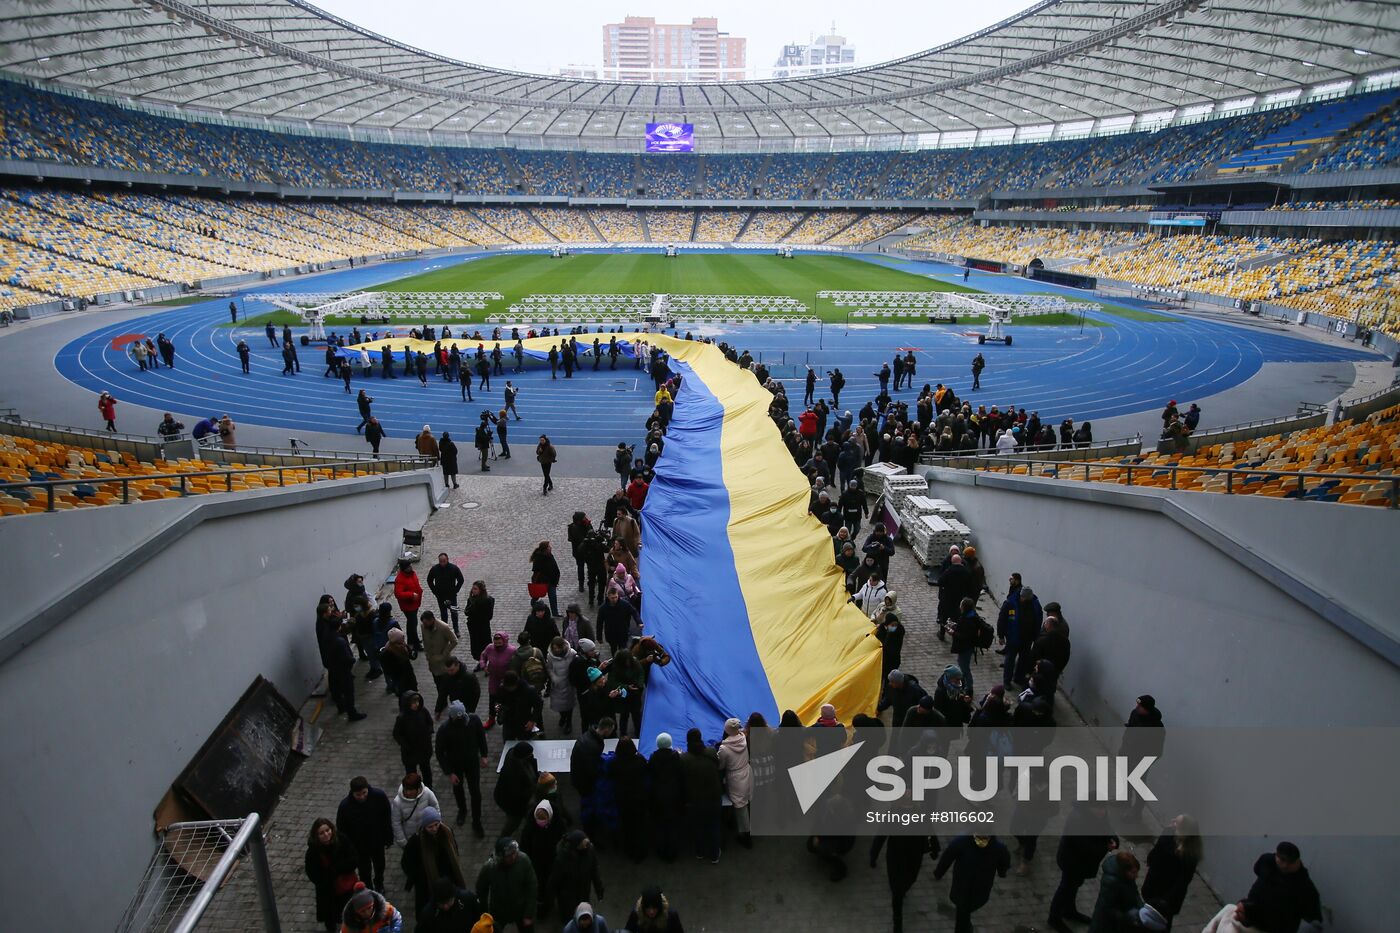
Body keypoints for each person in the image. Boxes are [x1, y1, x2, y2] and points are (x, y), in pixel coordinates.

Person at [934, 834, 1010, 933]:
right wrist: (1002, 872)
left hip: (966, 889)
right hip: (972, 890)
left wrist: (939, 873)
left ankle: (964, 927)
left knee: (963, 913)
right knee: (963, 914)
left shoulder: (962, 842)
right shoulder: (998, 848)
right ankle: (965, 927)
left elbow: (947, 857)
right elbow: (1004, 863)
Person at [401, 807, 466, 915]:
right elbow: (406, 863)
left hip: (448, 877)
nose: (434, 828)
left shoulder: (447, 832)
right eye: (430, 827)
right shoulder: (416, 841)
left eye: (436, 824)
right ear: (424, 826)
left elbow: (455, 849)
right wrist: (418, 875)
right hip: (426, 882)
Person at [1142, 814, 1202, 930]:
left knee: (1162, 922)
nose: (1172, 821)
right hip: (1154, 884)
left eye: (1176, 822)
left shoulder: (1190, 854)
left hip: (1167, 895)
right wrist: (1151, 858)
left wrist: (1166, 901)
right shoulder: (1169, 833)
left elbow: (1183, 881)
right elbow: (1157, 849)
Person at [1246, 842, 1322, 933]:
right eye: (1282, 860)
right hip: (1250, 918)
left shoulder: (1305, 887)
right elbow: (1257, 870)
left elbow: (1314, 920)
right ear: (1276, 856)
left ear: (1298, 861)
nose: (1286, 865)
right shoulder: (1266, 861)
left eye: (1291, 862)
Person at [337, 777, 393, 894]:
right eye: (358, 795)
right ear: (352, 793)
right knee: (364, 871)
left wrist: (388, 837)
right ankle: (368, 889)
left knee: (380, 866)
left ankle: (379, 883)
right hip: (359, 846)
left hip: (377, 841)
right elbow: (342, 830)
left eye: (364, 793)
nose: (362, 797)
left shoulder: (379, 797)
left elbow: (386, 818)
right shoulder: (345, 806)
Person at [305, 817, 359, 933]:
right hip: (328, 891)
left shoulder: (342, 840)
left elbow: (354, 859)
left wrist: (337, 869)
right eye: (321, 833)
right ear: (316, 836)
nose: (326, 834)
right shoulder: (313, 852)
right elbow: (312, 873)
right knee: (330, 917)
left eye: (327, 830)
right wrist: (327, 878)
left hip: (346, 887)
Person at [476, 836, 538, 932]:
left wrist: (528, 914)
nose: (513, 857)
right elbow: (481, 890)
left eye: (514, 853)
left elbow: (532, 886)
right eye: (509, 855)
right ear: (500, 856)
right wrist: (485, 915)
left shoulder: (523, 860)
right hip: (498, 911)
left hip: (520, 909)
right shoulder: (489, 867)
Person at [680, 727, 722, 864]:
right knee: (713, 825)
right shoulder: (711, 752)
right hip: (713, 797)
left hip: (695, 799)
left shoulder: (684, 759)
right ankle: (714, 854)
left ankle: (699, 851)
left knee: (698, 826)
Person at [716, 718, 753, 848]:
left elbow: (720, 765)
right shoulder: (743, 737)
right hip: (747, 772)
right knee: (745, 801)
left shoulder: (724, 748)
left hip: (735, 778)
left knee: (740, 806)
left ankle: (745, 835)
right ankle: (740, 826)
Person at [1088, 850, 1144, 933]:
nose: (1137, 875)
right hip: (1108, 923)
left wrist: (1141, 908)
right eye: (1133, 872)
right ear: (1124, 871)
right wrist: (1126, 917)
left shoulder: (1127, 877)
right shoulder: (1111, 883)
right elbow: (1107, 908)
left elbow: (1135, 892)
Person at [395, 691, 436, 788]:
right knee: (411, 774)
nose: (416, 705)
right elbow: (397, 734)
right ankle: (414, 789)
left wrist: (428, 733)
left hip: (424, 749)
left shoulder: (423, 711)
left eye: (417, 702)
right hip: (410, 752)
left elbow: (430, 722)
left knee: (426, 771)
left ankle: (428, 789)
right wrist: (406, 745)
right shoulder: (402, 718)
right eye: (413, 703)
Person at [417, 878, 483, 933]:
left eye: (448, 902)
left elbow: (481, 918)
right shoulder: (428, 913)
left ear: (454, 896)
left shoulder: (468, 899)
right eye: (441, 904)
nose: (445, 906)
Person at [428, 553, 466, 637]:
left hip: (451, 595)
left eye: (444, 561)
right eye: (440, 561)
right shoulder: (435, 569)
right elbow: (429, 580)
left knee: (454, 613)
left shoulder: (454, 568)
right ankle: (445, 630)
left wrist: (455, 590)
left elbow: (461, 580)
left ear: (447, 559)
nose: (442, 563)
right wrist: (434, 591)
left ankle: (456, 629)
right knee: (443, 613)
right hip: (440, 596)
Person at [464, 581, 495, 664]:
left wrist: (476, 612)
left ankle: (487, 662)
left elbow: (489, 616)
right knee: (475, 646)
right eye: (473, 588)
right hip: (473, 627)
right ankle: (480, 662)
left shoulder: (488, 600)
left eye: (475, 589)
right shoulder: (471, 600)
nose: (473, 590)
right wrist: (472, 607)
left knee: (485, 645)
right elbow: (466, 612)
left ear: (481, 590)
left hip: (483, 627)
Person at [530, 541, 561, 617]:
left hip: (552, 581)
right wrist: (535, 582)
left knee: (553, 597)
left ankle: (555, 613)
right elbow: (536, 572)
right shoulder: (538, 559)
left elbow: (554, 566)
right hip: (543, 582)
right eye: (549, 547)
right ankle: (533, 603)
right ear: (545, 549)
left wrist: (556, 578)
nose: (551, 548)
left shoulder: (550, 555)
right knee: (537, 595)